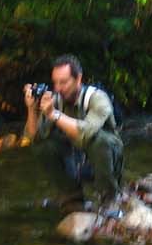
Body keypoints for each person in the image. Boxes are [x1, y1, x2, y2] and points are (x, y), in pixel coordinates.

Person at [24, 54, 124, 210]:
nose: (57, 88)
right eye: (55, 83)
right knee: (42, 145)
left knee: (100, 141)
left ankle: (109, 198)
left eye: (63, 82)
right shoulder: (56, 101)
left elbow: (85, 133)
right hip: (77, 157)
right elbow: (34, 137)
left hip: (106, 158)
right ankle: (71, 194)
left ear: (78, 79)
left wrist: (54, 115)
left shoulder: (98, 98)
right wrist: (32, 108)